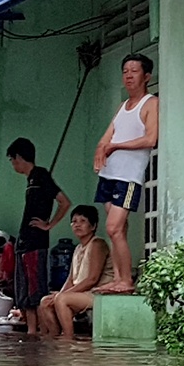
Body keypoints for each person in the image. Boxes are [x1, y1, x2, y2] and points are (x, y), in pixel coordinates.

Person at [92, 52, 158, 294]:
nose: (129, 76)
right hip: (109, 174)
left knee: (113, 227)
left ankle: (127, 281)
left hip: (127, 177)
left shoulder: (151, 103)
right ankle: (119, 278)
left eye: (134, 71)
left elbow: (150, 138)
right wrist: (101, 149)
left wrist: (115, 146)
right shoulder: (123, 106)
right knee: (119, 230)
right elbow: (108, 136)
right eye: (125, 72)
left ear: (147, 76)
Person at [6, 137, 70, 335]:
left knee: (35, 290)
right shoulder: (31, 179)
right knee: (24, 292)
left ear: (19, 157)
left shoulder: (41, 175)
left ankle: (43, 331)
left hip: (35, 243)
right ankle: (31, 331)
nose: (13, 165)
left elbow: (64, 202)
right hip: (24, 242)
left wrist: (49, 225)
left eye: (13, 160)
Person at [45, 204, 114, 338]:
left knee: (62, 299)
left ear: (93, 226)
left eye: (83, 221)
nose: (77, 225)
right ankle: (53, 338)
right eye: (74, 221)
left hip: (98, 294)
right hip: (81, 293)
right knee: (45, 302)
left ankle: (68, 338)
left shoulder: (97, 244)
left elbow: (92, 279)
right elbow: (71, 279)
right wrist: (59, 294)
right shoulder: (77, 248)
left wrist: (61, 296)